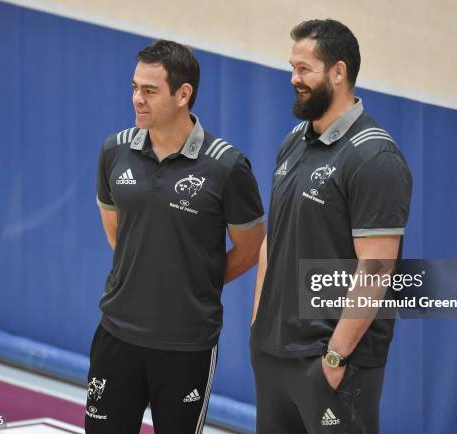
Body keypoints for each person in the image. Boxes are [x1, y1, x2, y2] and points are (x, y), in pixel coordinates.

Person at [87, 39, 265, 434]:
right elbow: (115, 226)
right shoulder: (114, 151)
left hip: (186, 346)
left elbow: (252, 247)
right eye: (134, 87)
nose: (137, 99)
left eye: (149, 91)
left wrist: (195, 280)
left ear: (183, 94)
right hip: (117, 334)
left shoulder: (227, 166)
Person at [250, 19, 412, 434]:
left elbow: (376, 269)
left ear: (338, 72)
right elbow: (274, 238)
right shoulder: (294, 141)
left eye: (305, 69)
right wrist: (258, 325)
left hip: (331, 362)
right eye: (293, 67)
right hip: (274, 354)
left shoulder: (375, 158)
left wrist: (335, 358)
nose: (294, 78)